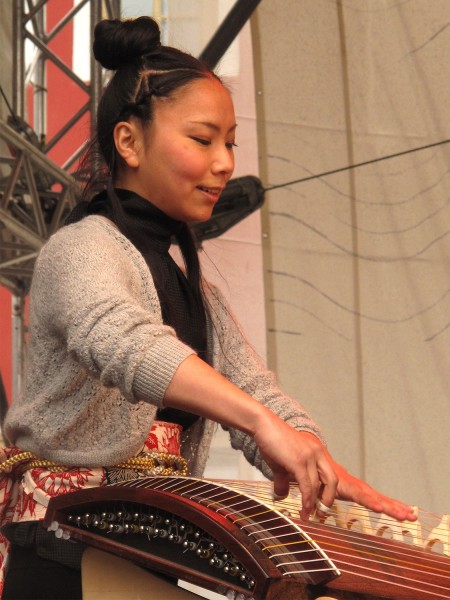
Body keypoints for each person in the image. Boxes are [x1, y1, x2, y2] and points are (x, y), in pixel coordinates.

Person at [0, 15, 416, 599]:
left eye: (231, 142)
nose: (224, 162)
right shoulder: (80, 249)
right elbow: (128, 343)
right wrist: (261, 424)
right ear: (129, 141)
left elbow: (255, 388)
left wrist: (311, 455)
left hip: (137, 549)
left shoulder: (196, 291)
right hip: (63, 555)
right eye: (202, 139)